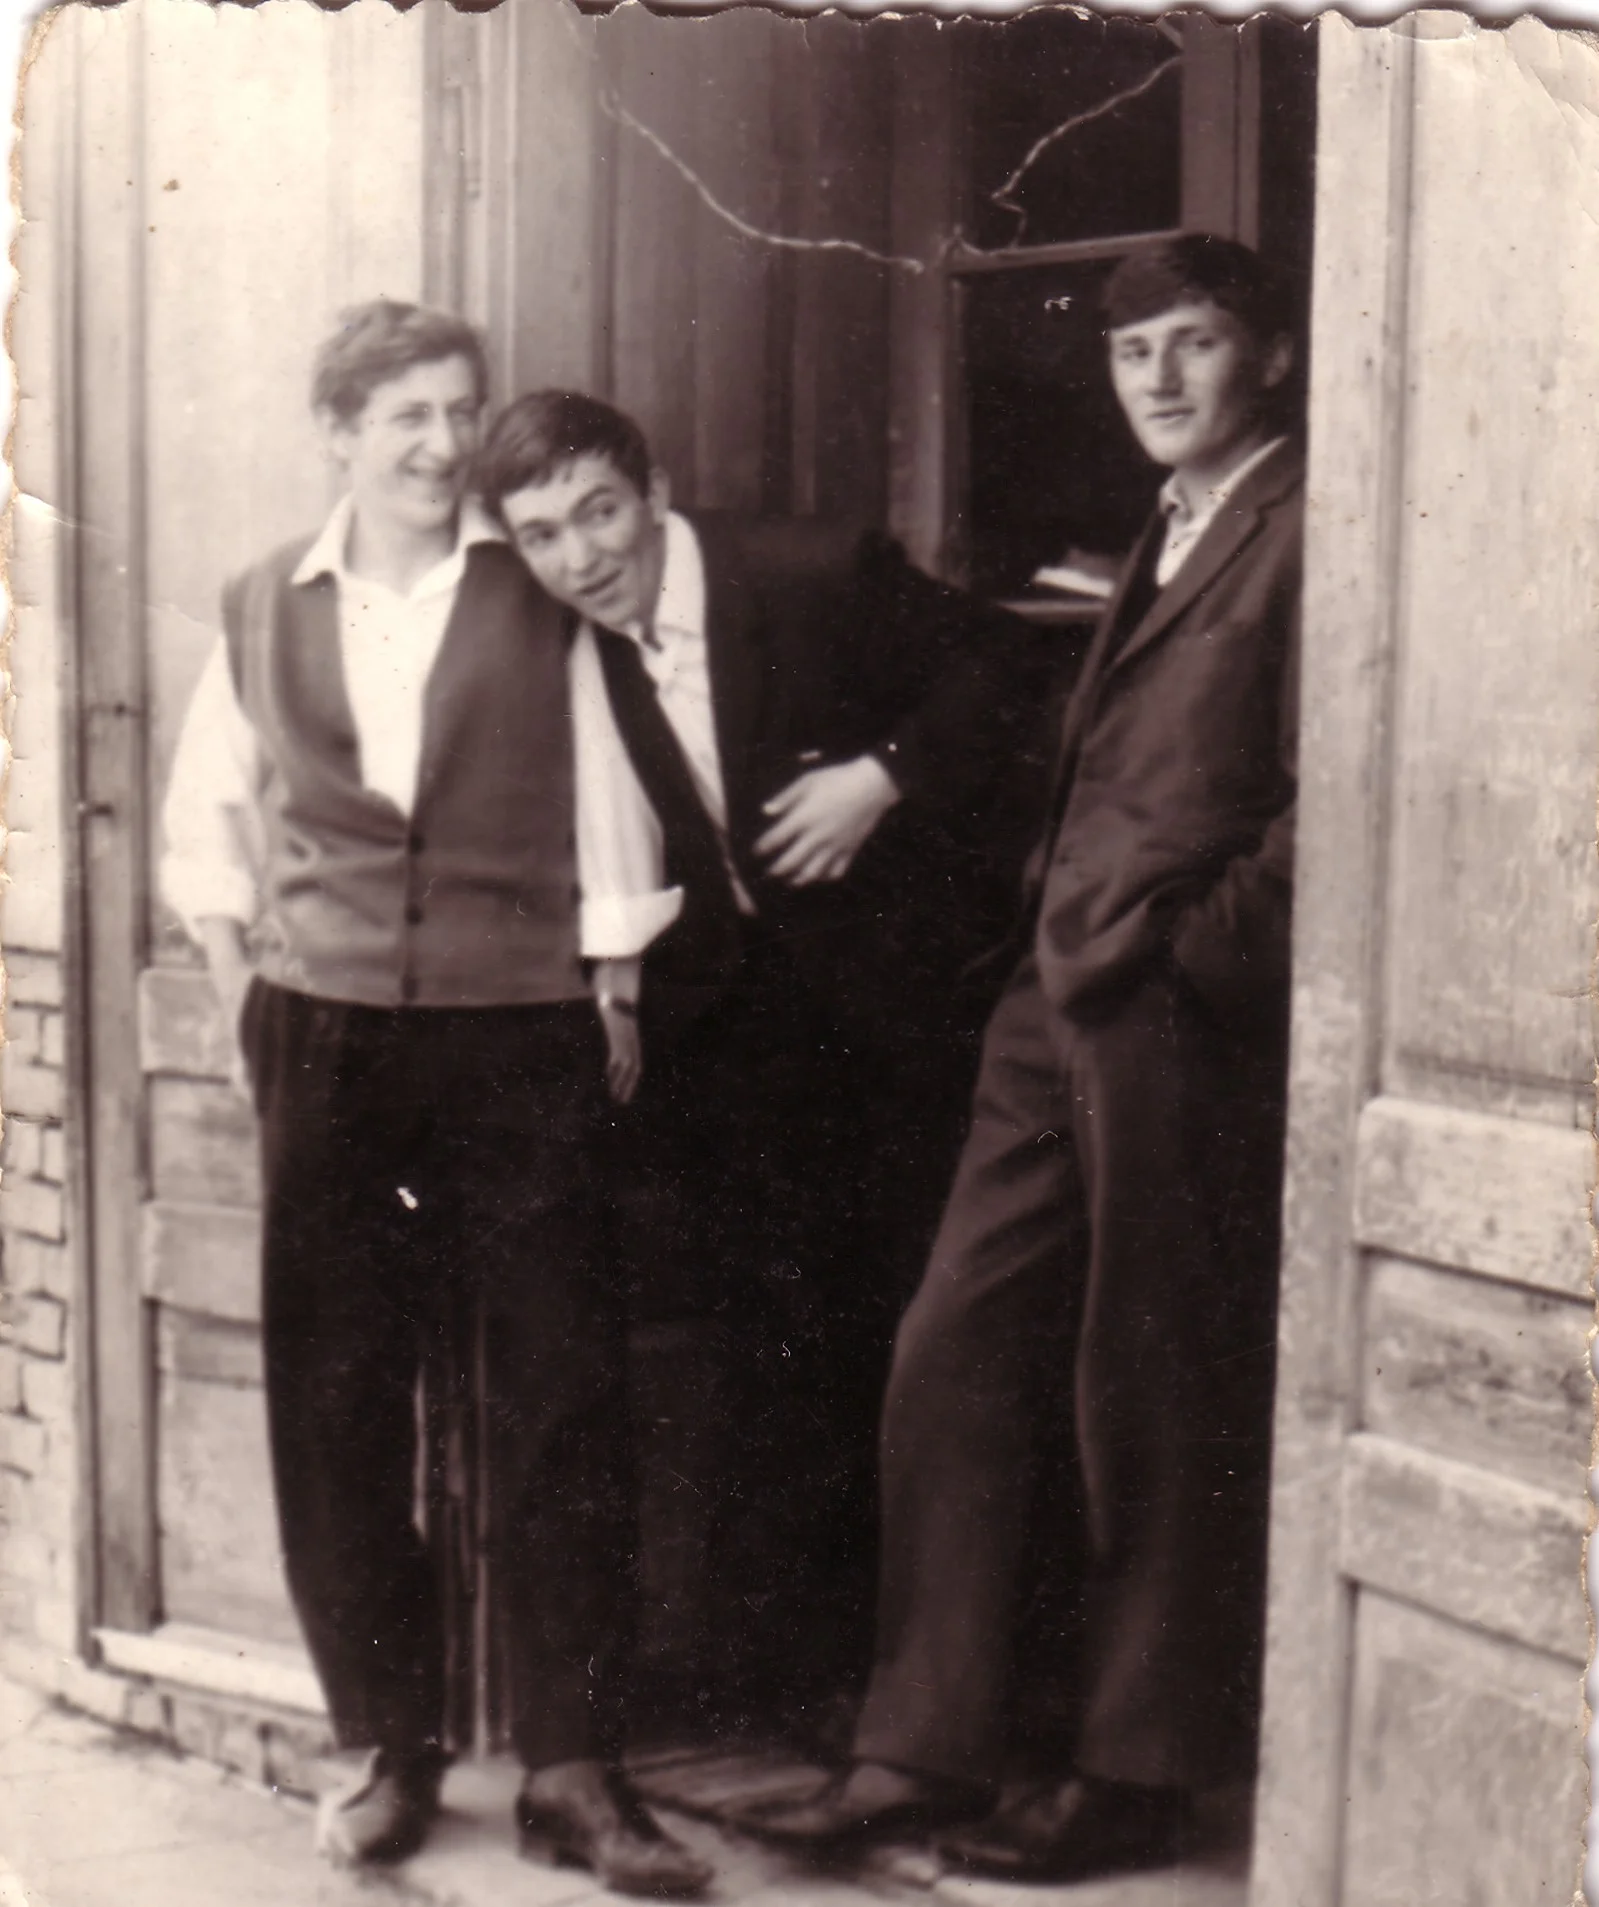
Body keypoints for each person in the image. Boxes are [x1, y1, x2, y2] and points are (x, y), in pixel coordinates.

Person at [751, 234, 1303, 1883]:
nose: (1156, 377)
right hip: (1049, 997)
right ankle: (919, 1748)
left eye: (1192, 342)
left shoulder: (1310, 525)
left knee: (1146, 1383)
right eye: (1132, 349)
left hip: (1163, 1006)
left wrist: (1191, 954)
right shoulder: (1174, 518)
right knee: (955, 1350)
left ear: (1268, 358)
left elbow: (1338, 789)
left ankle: (1134, 1777)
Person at [160, 300, 711, 1897]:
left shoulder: (531, 585)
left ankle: (574, 1766)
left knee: (561, 1390)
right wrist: (241, 989)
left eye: (459, 409)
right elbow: (211, 815)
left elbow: (609, 794)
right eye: (405, 414)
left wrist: (612, 975)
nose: (441, 441)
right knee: (339, 1398)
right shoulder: (266, 598)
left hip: (520, 1033)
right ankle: (389, 1743)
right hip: (328, 1041)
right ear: (337, 433)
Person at [472, 392, 1050, 1724]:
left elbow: (1010, 668)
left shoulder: (810, 569)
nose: (580, 557)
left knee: (930, 1344)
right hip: (746, 1043)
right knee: (785, 1347)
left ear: (655, 492)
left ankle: (969, 1702)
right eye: (542, 535)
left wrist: (882, 777)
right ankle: (817, 1689)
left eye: (599, 513)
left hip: (911, 1023)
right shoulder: (576, 643)